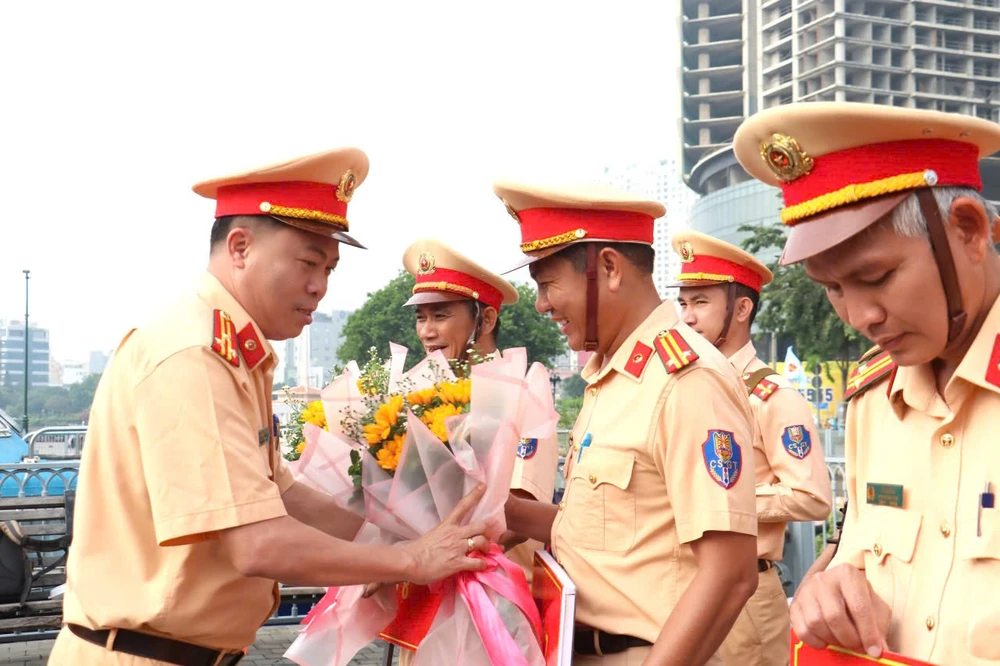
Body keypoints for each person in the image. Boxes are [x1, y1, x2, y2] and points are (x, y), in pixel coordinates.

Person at [48, 148, 490, 666]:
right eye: (308, 263)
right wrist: (408, 560)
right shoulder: (195, 353)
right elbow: (256, 543)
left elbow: (282, 492)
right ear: (240, 247)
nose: (320, 286)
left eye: (329, 268)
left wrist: (399, 539)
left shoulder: (236, 350)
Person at [733, 101, 1000, 664]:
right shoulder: (873, 399)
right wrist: (824, 590)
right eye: (832, 288)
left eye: (875, 277)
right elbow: (854, 556)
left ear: (970, 231)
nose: (858, 317)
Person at [494, 181, 759, 665]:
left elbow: (730, 574)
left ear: (610, 269)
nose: (541, 304)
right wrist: (495, 509)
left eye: (547, 283)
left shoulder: (685, 380)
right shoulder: (612, 377)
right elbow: (607, 532)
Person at [390, 238, 560, 666]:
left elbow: (517, 513)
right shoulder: (414, 395)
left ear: (485, 318)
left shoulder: (522, 389)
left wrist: (424, 545)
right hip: (422, 609)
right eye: (421, 317)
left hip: (494, 614)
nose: (427, 331)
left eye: (441, 315)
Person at [671, 230, 833, 666]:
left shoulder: (772, 396)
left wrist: (725, 503)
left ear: (742, 309)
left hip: (747, 598)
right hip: (684, 588)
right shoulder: (685, 388)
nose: (687, 317)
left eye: (700, 302)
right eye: (683, 303)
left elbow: (813, 496)